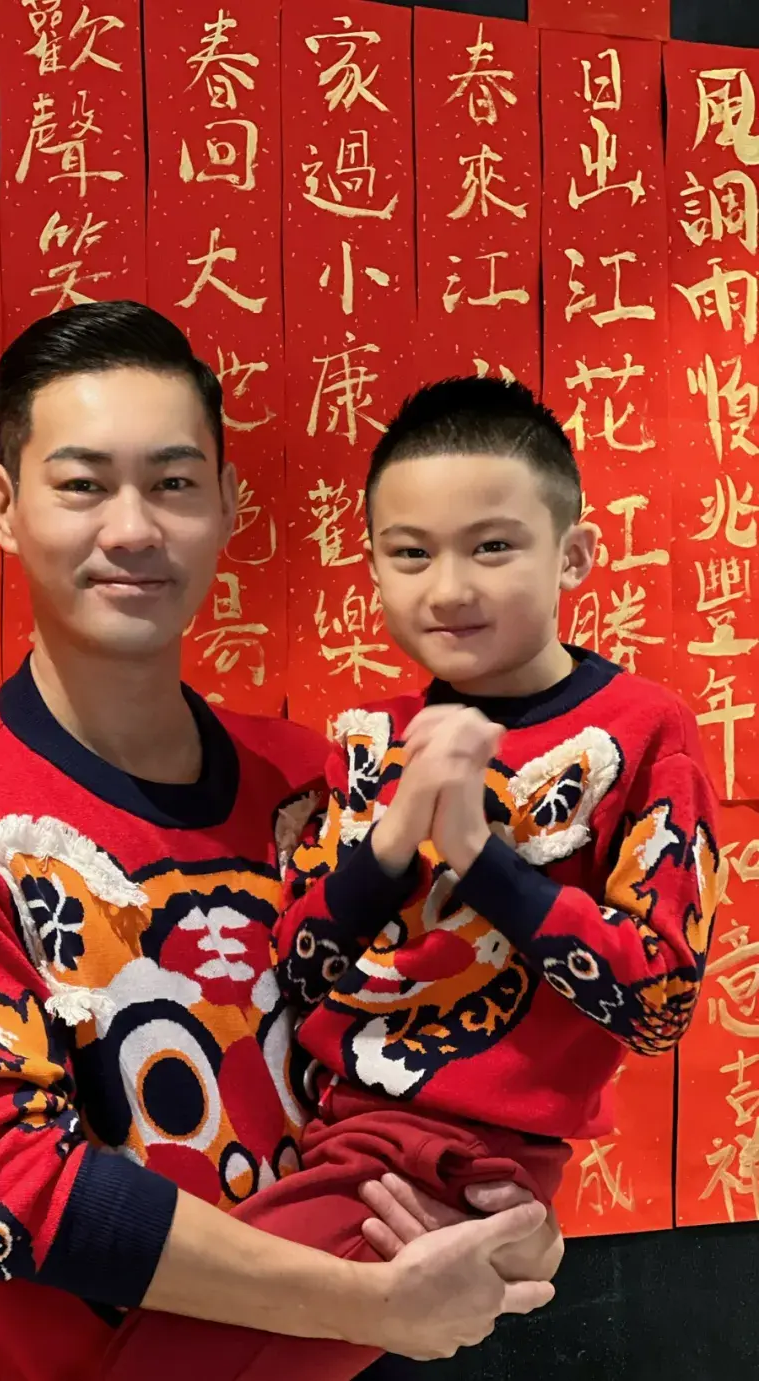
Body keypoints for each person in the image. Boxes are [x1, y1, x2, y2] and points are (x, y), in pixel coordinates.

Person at [0, 310, 558, 1381]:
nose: (132, 529)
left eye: (172, 483)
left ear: (225, 507)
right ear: (4, 509)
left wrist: (510, 1217)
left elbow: (439, 1045)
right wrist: (366, 1300)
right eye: (82, 485)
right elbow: (9, 1182)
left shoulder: (323, 788)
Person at [102, 375, 722, 1380]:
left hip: (463, 1152)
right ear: (373, 566)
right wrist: (396, 837)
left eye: (493, 546)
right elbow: (301, 965)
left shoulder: (643, 730)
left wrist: (480, 854)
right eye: (411, 553)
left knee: (170, 1359)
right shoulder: (371, 739)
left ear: (573, 555)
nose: (449, 588)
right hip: (340, 1126)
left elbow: (660, 999)